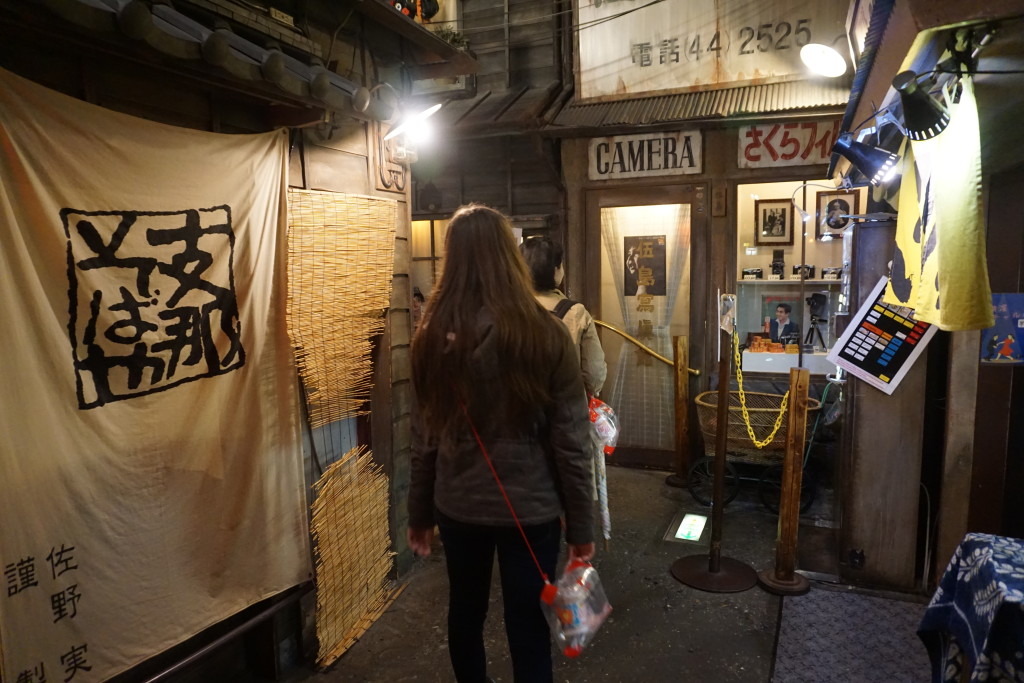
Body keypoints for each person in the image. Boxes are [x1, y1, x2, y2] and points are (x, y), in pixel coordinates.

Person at [406, 204, 596, 683]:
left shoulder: (431, 337)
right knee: (528, 623)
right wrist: (581, 526)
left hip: (459, 504)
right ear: (509, 258)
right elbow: (571, 441)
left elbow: (424, 435)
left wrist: (419, 514)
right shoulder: (546, 334)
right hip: (530, 508)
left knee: (464, 614)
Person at [519, 235, 607, 397]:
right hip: (566, 410)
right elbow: (594, 375)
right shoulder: (576, 313)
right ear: (556, 270)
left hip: (519, 411)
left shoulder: (508, 311)